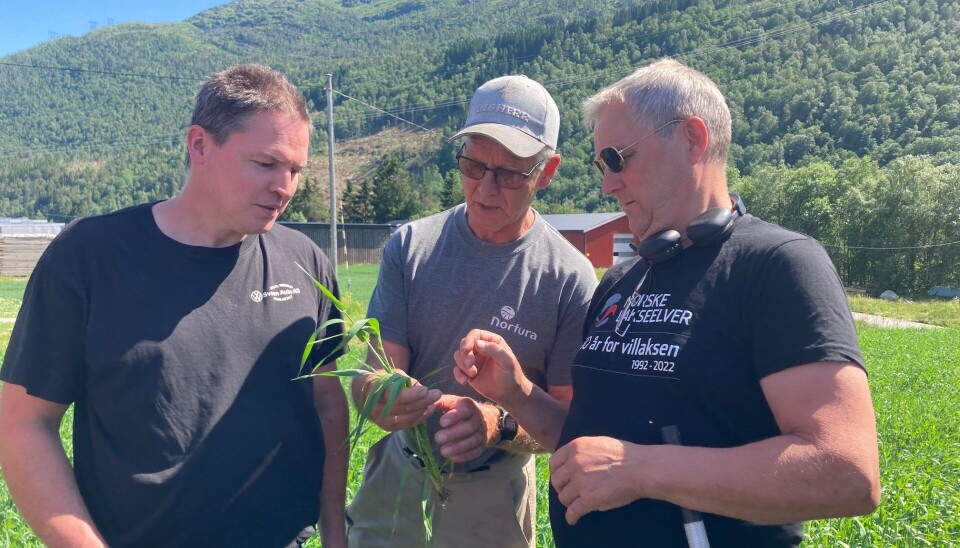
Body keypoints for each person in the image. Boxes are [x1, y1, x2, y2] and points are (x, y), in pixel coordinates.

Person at [453, 58, 881, 547]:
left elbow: (847, 472)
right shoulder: (622, 280)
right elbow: (586, 444)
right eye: (600, 165)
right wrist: (515, 392)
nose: (607, 183)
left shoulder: (778, 265)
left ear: (692, 139)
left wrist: (641, 469)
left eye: (617, 159)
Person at [0, 64, 349, 548]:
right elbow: (23, 423)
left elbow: (328, 403)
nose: (285, 188)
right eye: (266, 164)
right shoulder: (91, 257)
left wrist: (336, 534)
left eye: (295, 170)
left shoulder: (304, 261)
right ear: (200, 145)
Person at [344, 75, 598, 548]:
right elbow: (372, 374)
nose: (484, 188)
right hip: (398, 478)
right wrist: (382, 396)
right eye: (473, 165)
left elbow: (567, 425)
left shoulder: (568, 277)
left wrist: (495, 424)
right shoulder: (411, 247)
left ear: (547, 171)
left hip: (492, 493)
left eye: (508, 174)